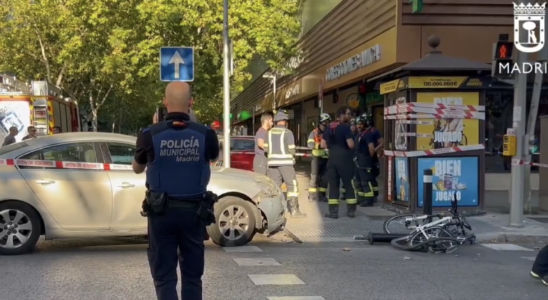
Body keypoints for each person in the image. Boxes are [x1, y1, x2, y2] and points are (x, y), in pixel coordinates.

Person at [132, 82, 220, 300]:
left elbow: (137, 168)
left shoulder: (149, 134)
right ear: (191, 103)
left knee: (164, 276)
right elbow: (213, 158)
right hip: (194, 213)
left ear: (165, 102)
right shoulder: (206, 134)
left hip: (161, 213)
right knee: (192, 276)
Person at [264, 110, 305, 217]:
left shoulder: (269, 132)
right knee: (292, 185)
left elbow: (265, 148)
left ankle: (275, 212)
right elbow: (292, 149)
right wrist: (293, 157)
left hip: (272, 163)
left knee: (275, 187)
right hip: (286, 163)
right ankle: (294, 211)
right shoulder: (288, 132)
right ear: (285, 121)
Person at [321, 106, 357, 218]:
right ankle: (351, 211)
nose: (349, 116)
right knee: (348, 184)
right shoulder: (345, 128)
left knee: (333, 186)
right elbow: (350, 144)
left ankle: (333, 212)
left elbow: (322, 145)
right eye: (348, 114)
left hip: (332, 160)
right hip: (345, 160)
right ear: (341, 115)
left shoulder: (328, 128)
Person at [306, 113, 330, 202]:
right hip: (316, 159)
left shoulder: (328, 133)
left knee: (324, 179)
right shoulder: (314, 132)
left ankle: (322, 196)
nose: (327, 124)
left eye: (328, 122)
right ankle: (311, 195)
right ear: (321, 122)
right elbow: (309, 144)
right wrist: (320, 145)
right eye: (325, 122)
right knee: (314, 178)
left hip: (326, 159)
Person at [354, 113, 376, 207]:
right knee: (358, 181)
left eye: (361, 124)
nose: (359, 126)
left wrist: (367, 158)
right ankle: (361, 198)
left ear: (364, 124)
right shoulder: (359, 134)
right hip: (358, 161)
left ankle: (369, 200)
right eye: (357, 124)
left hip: (364, 160)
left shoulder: (367, 134)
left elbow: (371, 148)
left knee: (365, 181)